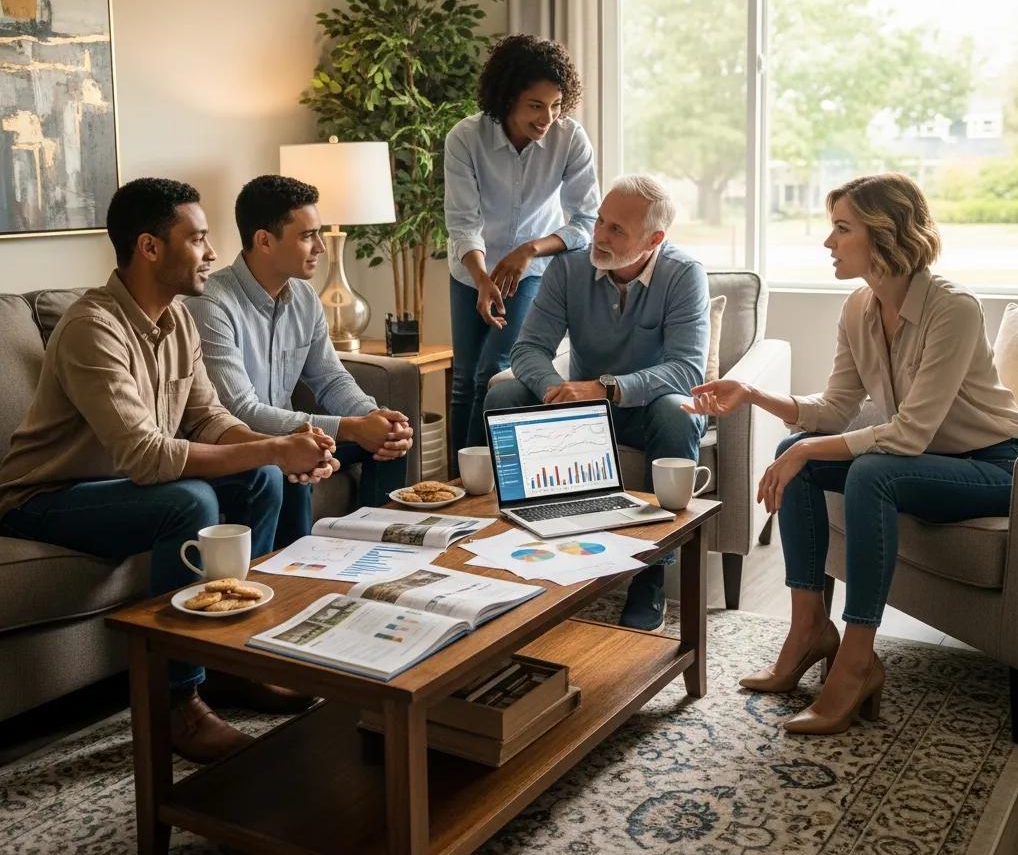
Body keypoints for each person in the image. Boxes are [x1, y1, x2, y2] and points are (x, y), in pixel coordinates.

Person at [0, 179, 341, 764]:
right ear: (150, 248)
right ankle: (174, 703)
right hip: (47, 496)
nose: (211, 253)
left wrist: (281, 447)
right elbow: (147, 456)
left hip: (117, 484)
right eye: (199, 239)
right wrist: (271, 450)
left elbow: (208, 418)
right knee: (190, 503)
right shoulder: (93, 328)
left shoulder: (178, 320)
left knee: (258, 479)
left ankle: (230, 662)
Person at [685, 173, 1018, 734]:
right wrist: (752, 395)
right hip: (921, 464)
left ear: (885, 234)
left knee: (869, 474)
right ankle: (809, 628)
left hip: (995, 467)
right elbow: (835, 406)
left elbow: (910, 433)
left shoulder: (953, 309)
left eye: (842, 229)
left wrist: (808, 449)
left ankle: (859, 659)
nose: (828, 242)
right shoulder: (858, 309)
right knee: (801, 454)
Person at [484, 175, 710, 631]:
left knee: (676, 409)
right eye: (600, 222)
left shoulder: (684, 274)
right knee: (504, 391)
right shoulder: (568, 269)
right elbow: (529, 350)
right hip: (583, 412)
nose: (599, 237)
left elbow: (687, 371)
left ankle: (649, 580)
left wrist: (605, 387)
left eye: (616, 230)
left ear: (654, 240)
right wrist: (555, 390)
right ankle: (511, 555)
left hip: (648, 412)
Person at [184, 175, 414, 537]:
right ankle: (298, 575)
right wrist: (351, 428)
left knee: (387, 440)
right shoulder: (210, 304)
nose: (320, 247)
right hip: (244, 448)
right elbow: (242, 412)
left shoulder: (305, 299)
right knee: (291, 463)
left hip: (295, 436)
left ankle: (376, 553)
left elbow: (331, 378)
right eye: (307, 236)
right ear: (264, 241)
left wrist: (372, 416)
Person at [445, 33, 600, 450]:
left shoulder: (570, 139)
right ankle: (458, 483)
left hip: (531, 271)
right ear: (507, 98)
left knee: (493, 371)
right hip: (469, 270)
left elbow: (587, 220)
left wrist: (530, 249)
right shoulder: (465, 139)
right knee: (463, 378)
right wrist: (481, 277)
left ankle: (490, 482)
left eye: (555, 105)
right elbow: (462, 223)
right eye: (535, 105)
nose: (547, 117)